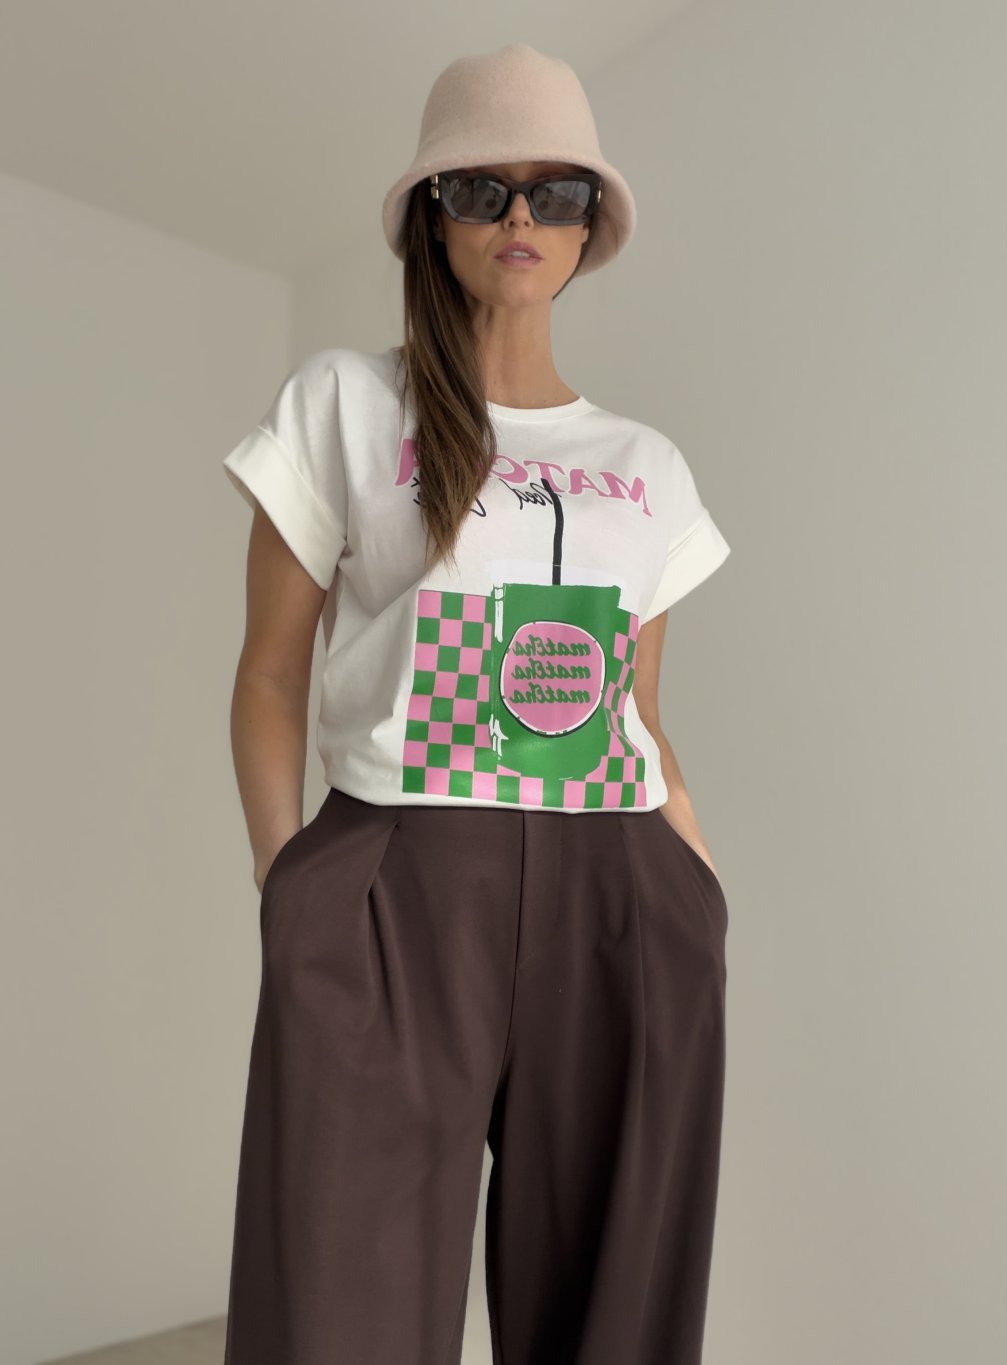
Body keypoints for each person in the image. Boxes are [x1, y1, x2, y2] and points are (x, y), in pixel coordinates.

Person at [220, 41, 732, 1365]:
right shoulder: (346, 403)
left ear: (589, 226)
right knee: (341, 1309)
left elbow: (640, 711)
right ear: (431, 216)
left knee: (611, 1314)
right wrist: (290, 886)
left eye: (555, 193)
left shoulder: (648, 466)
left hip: (616, 884)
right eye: (480, 189)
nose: (520, 218)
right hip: (397, 881)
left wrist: (694, 883)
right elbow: (271, 671)